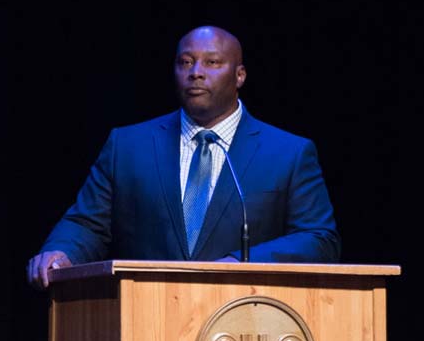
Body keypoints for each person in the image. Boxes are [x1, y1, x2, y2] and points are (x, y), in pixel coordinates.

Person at [27, 25, 340, 289]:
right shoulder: (128, 146)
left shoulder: (288, 152)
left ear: (240, 75)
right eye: (186, 62)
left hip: (244, 318)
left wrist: (241, 263)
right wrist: (62, 251)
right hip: (148, 319)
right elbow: (88, 223)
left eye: (212, 63)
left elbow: (318, 239)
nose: (196, 73)